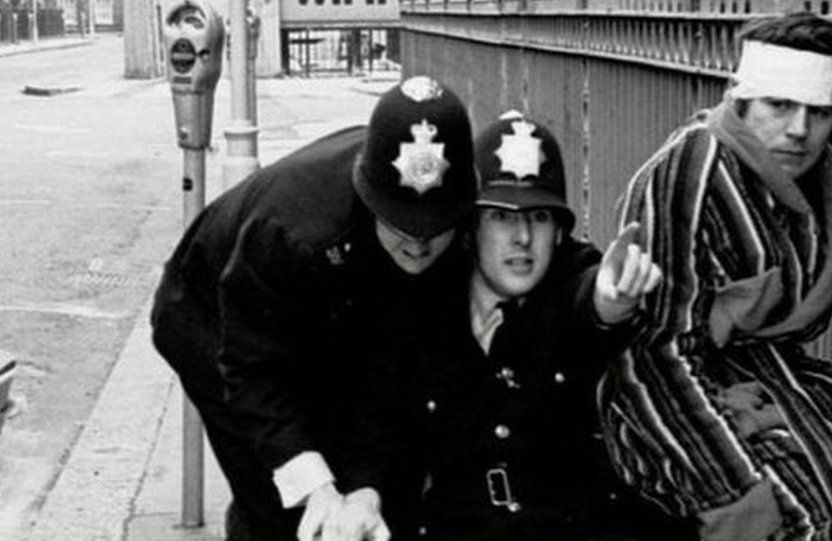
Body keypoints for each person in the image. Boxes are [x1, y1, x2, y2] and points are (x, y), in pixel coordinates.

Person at [597, 12, 832, 541]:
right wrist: (733, 494)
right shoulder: (686, 174)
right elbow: (654, 353)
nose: (800, 130)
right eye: (780, 106)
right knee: (812, 525)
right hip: (686, 402)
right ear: (742, 97)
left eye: (819, 112)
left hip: (789, 386)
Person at [149, 75, 477, 541]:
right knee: (282, 504)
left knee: (384, 495)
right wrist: (318, 488)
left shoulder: (466, 205)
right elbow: (252, 370)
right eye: (400, 227)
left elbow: (394, 369)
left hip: (337, 319)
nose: (419, 246)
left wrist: (369, 486)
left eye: (434, 228)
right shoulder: (296, 232)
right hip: (213, 319)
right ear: (369, 199)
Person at [324, 112, 676, 541]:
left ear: (561, 233)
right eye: (502, 217)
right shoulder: (424, 303)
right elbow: (378, 425)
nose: (523, 237)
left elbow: (590, 301)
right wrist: (364, 493)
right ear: (470, 226)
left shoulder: (571, 280)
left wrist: (611, 301)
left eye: (541, 217)